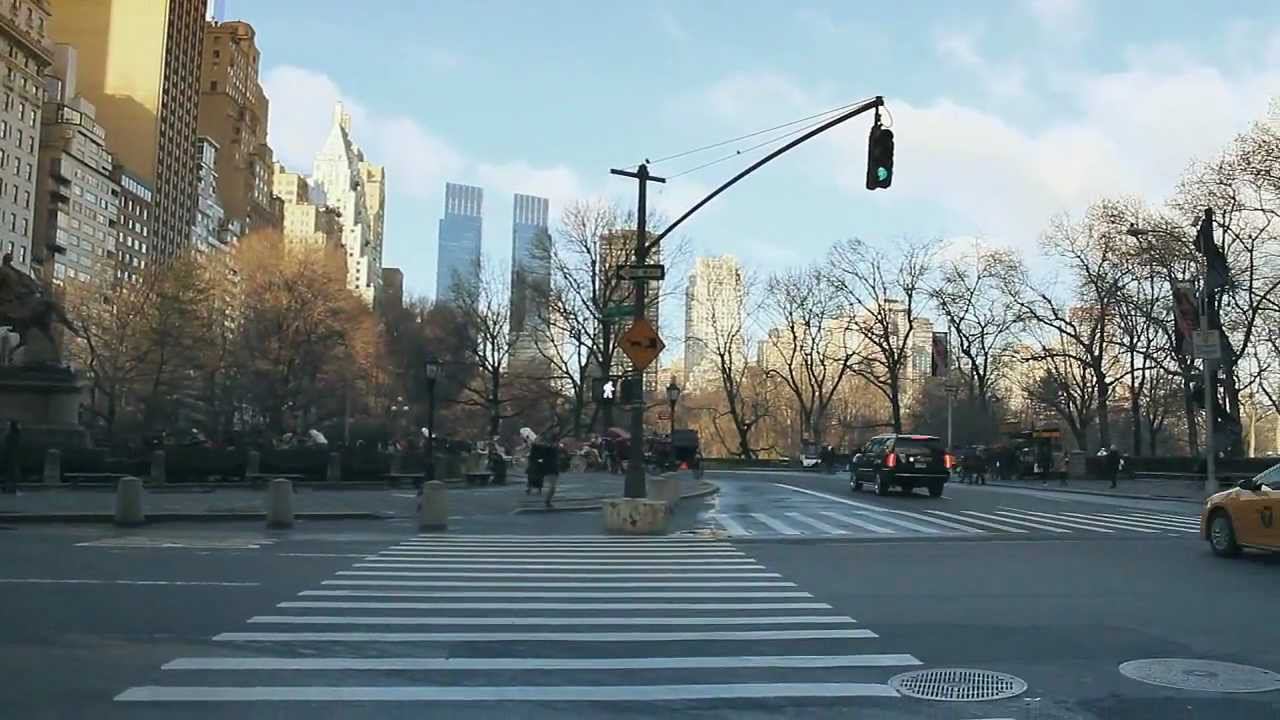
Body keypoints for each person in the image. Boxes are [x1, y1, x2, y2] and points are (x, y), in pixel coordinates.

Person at [2, 420, 20, 494]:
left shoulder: (11, 434)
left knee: (10, 474)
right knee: (11, 474)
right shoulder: (11, 435)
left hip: (10, 456)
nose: (20, 426)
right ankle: (10, 490)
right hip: (10, 457)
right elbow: (9, 447)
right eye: (18, 425)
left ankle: (8, 489)